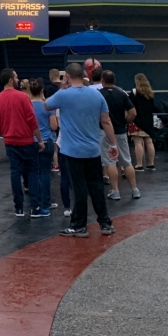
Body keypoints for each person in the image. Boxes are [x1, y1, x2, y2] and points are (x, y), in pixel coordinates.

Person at [46, 63, 118, 238]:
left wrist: (63, 87)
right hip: (93, 149)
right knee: (97, 186)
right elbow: (106, 121)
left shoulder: (63, 95)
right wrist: (113, 144)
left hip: (72, 150)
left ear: (67, 76)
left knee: (79, 188)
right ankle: (105, 223)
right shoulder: (96, 95)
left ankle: (79, 225)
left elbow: (46, 105)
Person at [0, 68, 46, 218]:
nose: (17, 79)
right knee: (33, 172)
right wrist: (40, 140)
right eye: (15, 77)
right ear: (10, 80)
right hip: (26, 140)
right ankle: (35, 207)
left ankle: (18, 208)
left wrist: (5, 133)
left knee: (15, 173)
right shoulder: (23, 97)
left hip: (10, 141)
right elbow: (32, 119)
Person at [99, 71, 140, 200]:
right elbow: (133, 112)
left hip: (105, 132)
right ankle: (135, 189)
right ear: (114, 80)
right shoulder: (121, 94)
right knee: (126, 161)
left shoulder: (99, 95)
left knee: (110, 162)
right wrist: (125, 121)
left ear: (102, 80)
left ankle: (115, 191)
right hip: (120, 131)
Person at [26, 79, 57, 215]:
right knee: (45, 173)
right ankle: (46, 201)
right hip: (46, 140)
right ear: (42, 90)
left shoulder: (27, 106)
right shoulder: (47, 106)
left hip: (31, 142)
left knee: (34, 173)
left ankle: (36, 202)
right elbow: (54, 126)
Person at [130, 73, 157, 171]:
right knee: (149, 142)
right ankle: (151, 164)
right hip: (148, 121)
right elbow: (153, 108)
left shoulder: (134, 92)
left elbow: (130, 106)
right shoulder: (150, 93)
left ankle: (139, 164)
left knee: (138, 143)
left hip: (137, 120)